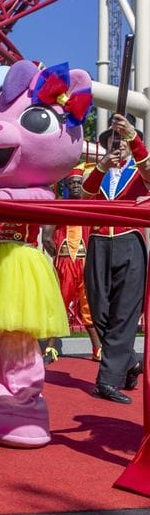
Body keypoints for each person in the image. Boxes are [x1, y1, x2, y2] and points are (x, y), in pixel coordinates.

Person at [80, 113, 149, 404]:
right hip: (98, 242)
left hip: (130, 242)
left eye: (122, 140)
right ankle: (130, 360)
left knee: (124, 314)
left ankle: (106, 380)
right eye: (112, 141)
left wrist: (134, 139)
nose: (117, 146)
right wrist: (101, 166)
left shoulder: (141, 168)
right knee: (100, 311)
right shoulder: (95, 169)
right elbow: (84, 196)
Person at [41, 166, 102, 363]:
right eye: (72, 184)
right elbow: (47, 238)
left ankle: (98, 348)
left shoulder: (90, 205)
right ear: (67, 186)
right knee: (59, 304)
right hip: (65, 263)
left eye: (79, 183)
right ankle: (50, 349)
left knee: (88, 306)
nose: (76, 187)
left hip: (85, 262)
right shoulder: (60, 206)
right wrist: (59, 255)